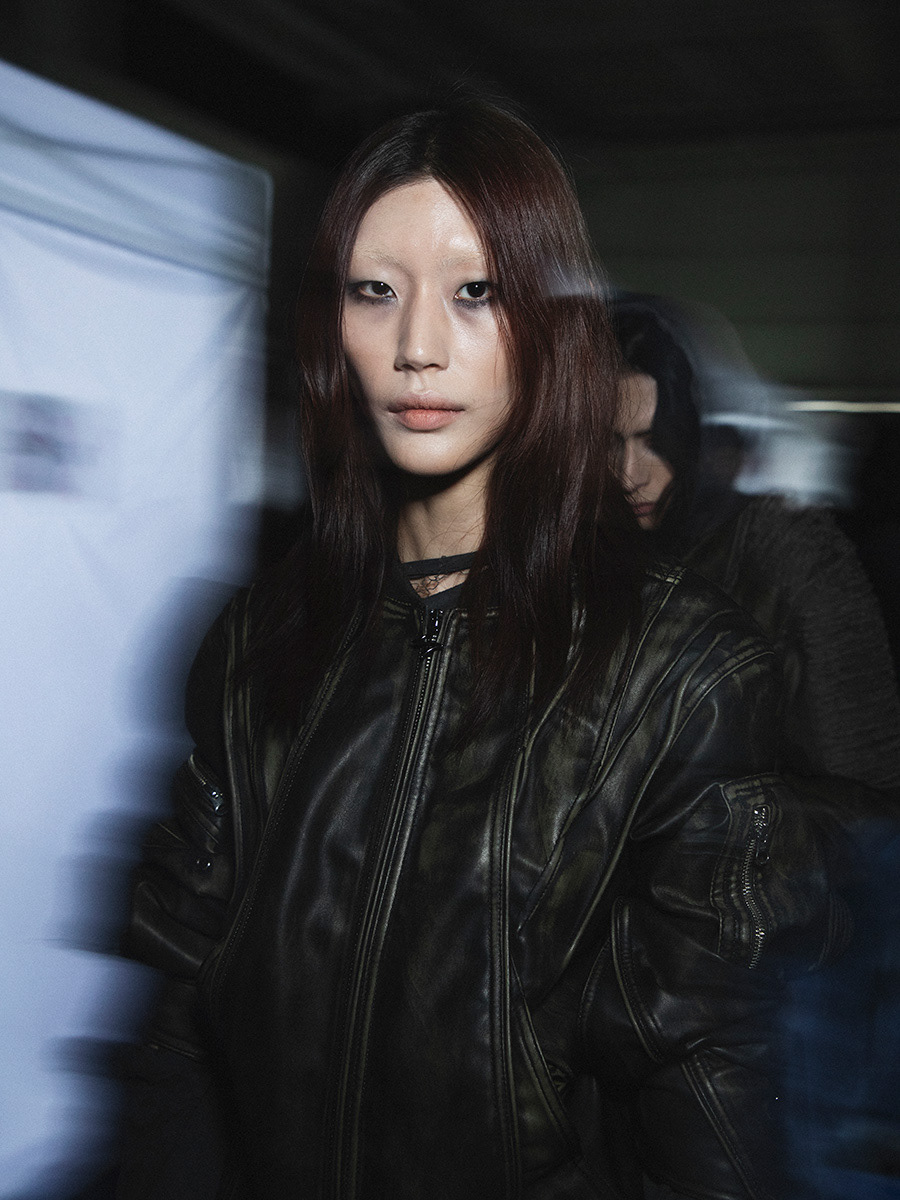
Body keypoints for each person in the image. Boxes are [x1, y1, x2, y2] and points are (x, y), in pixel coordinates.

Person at [118, 102, 840, 1200]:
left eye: (476, 292)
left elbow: (707, 1103)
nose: (417, 347)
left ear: (546, 322)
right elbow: (178, 1036)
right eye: (375, 290)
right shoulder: (257, 643)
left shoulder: (683, 676)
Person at [610, 294, 900, 789]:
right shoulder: (574, 559)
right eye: (607, 443)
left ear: (696, 437)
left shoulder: (782, 549)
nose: (629, 475)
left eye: (656, 442)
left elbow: (864, 775)